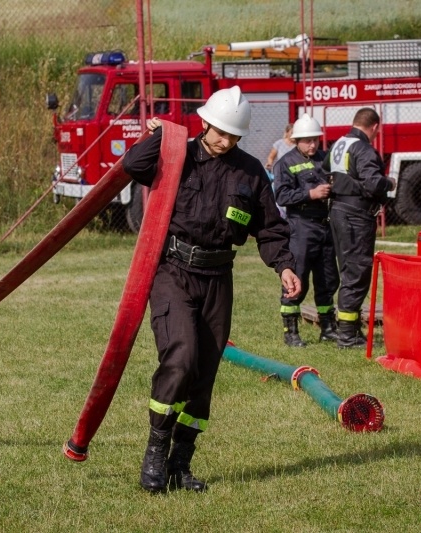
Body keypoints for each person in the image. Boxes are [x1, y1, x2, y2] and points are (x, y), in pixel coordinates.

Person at [122, 86, 302, 493]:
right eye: (220, 132)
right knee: (181, 358)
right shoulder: (177, 155)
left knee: (203, 375)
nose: (225, 141)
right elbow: (133, 165)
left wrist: (285, 265)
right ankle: (155, 453)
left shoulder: (250, 172)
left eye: (233, 135)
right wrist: (161, 138)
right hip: (173, 272)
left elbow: (270, 227)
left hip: (218, 278)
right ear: (204, 123)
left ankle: (179, 464)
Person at [323, 107, 396, 348]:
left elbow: (325, 169)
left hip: (338, 212)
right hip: (356, 217)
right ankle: (347, 336)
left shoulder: (339, 144)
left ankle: (351, 330)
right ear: (374, 127)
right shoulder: (363, 148)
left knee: (349, 271)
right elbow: (373, 183)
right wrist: (389, 183)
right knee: (356, 273)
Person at [273, 114, 339, 347]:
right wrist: (310, 194)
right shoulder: (285, 163)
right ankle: (291, 332)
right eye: (307, 140)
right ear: (296, 140)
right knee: (297, 278)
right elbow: (281, 196)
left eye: (315, 140)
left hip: (325, 226)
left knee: (328, 279)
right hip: (301, 227)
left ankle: (328, 328)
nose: (313, 145)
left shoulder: (325, 158)